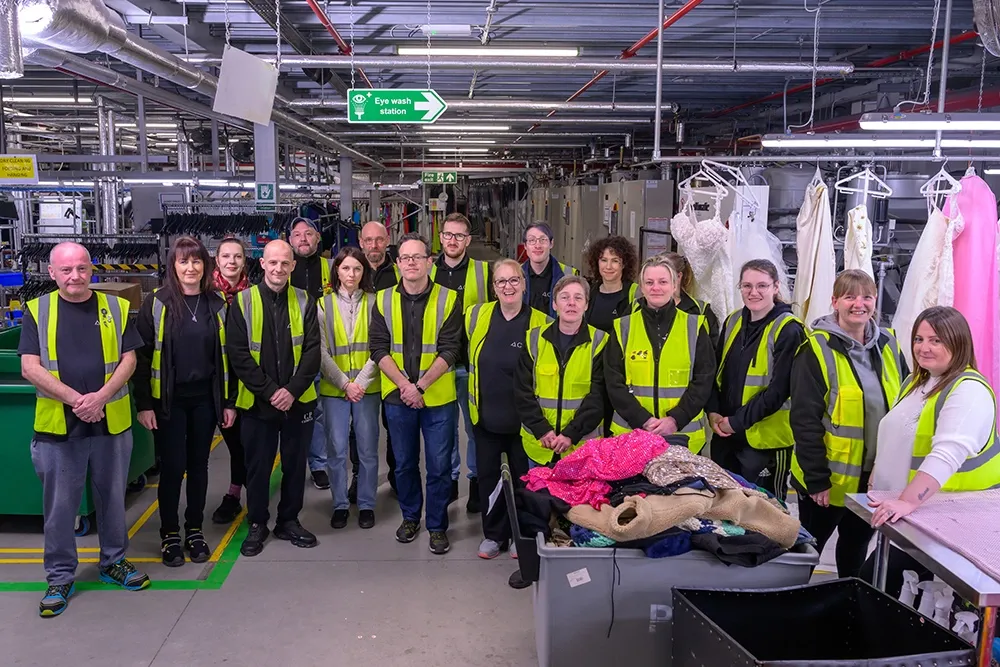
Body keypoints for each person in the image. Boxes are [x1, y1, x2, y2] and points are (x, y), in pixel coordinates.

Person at [18, 242, 150, 618]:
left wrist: (101, 398)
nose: (74, 276)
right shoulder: (37, 310)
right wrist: (79, 400)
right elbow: (30, 367)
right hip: (59, 427)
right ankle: (59, 576)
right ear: (52, 273)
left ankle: (114, 562)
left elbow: (129, 358)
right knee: (60, 507)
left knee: (112, 498)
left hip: (111, 423)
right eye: (66, 270)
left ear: (92, 269)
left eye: (81, 268)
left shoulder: (117, 307)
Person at [861, 306, 1000, 595]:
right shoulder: (917, 382)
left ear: (958, 342)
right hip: (906, 516)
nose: (923, 348)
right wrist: (879, 476)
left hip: (947, 523)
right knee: (878, 585)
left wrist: (907, 502)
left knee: (880, 587)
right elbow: (895, 433)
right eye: (919, 339)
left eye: (936, 340)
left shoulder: (968, 391)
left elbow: (946, 455)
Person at [789, 269, 908, 578]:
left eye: (866, 296)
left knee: (854, 551)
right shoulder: (815, 349)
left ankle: (846, 610)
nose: (859, 304)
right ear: (835, 302)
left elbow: (907, 405)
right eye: (850, 296)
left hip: (873, 479)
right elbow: (804, 420)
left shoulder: (889, 345)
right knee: (808, 554)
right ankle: (796, 610)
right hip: (829, 479)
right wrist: (817, 480)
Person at [133, 236, 235, 567]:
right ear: (173, 266)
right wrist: (144, 403)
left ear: (205, 266)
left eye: (196, 261)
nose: (190, 267)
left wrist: (229, 402)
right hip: (169, 402)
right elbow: (142, 356)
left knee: (199, 466)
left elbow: (230, 358)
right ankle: (169, 534)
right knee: (174, 467)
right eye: (183, 261)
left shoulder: (217, 302)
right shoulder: (157, 303)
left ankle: (194, 529)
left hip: (206, 398)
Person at [369, 232, 463, 555]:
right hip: (398, 399)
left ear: (429, 262)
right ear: (398, 264)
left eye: (418, 257)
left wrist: (420, 386)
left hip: (438, 400)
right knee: (405, 464)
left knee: (438, 466)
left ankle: (436, 525)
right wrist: (406, 387)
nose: (411, 263)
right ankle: (411, 517)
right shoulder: (381, 300)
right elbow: (378, 348)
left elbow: (451, 350)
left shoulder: (449, 299)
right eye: (406, 258)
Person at [228, 240, 321, 557]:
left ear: (293, 266)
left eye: (285, 263)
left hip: (298, 403)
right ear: (262, 264)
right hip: (257, 404)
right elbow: (238, 356)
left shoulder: (307, 301)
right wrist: (270, 392)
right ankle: (257, 523)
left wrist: (291, 391)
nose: (279, 268)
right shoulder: (242, 303)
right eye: (273, 263)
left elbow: (312, 353)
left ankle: (289, 520)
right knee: (258, 467)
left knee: (295, 466)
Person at [466, 259, 549, 559]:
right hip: (486, 418)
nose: (508, 287)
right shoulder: (477, 316)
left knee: (524, 480)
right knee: (489, 478)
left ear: (524, 284)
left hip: (525, 423)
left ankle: (521, 534)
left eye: (514, 280)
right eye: (501, 282)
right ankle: (494, 534)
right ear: (493, 287)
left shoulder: (541, 322)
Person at [707, 259, 806, 500]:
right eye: (747, 286)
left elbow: (778, 391)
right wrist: (714, 412)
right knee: (726, 507)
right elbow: (716, 373)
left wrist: (736, 422)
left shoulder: (788, 329)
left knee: (765, 513)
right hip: (726, 437)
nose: (754, 292)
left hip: (765, 442)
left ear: (776, 287)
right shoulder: (732, 321)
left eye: (762, 286)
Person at [604, 255, 715, 452]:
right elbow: (613, 381)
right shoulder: (623, 327)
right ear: (642, 287)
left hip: (682, 437)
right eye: (649, 282)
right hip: (631, 435)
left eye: (663, 282)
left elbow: (703, 380)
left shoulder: (695, 326)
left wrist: (675, 419)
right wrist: (643, 420)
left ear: (674, 285)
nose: (656, 287)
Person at [429, 212, 492, 512]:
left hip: (472, 364)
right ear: (440, 237)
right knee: (444, 430)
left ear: (468, 240)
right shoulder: (426, 270)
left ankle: (477, 482)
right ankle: (450, 481)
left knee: (474, 427)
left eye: (459, 236)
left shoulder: (485, 272)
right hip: (438, 366)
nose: (453, 241)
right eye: (448, 235)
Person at [514, 275, 608, 467]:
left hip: (581, 448)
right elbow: (522, 391)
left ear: (586, 305)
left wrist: (570, 434)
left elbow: (599, 397)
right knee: (538, 496)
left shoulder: (601, 342)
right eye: (564, 297)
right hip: (540, 445)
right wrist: (542, 430)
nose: (571, 303)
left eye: (578, 298)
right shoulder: (534, 339)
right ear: (555, 304)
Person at [318, 247, 381, 530]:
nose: (351, 274)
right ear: (337, 272)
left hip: (367, 389)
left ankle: (366, 504)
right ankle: (340, 504)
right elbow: (320, 351)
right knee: (337, 450)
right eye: (346, 268)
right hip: (335, 390)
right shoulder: (323, 305)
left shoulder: (376, 302)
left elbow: (381, 347)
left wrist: (360, 383)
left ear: (364, 272)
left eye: (357, 268)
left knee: (367, 450)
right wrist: (344, 383)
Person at [356, 220, 400, 498]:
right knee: (358, 431)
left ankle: (397, 476)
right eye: (368, 240)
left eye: (379, 240)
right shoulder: (351, 271)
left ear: (387, 241)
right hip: (359, 367)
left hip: (391, 365)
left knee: (394, 427)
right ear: (361, 242)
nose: (373, 245)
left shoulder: (398, 273)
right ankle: (358, 478)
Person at [288, 216, 332, 491]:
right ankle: (292, 465)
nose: (303, 239)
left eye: (308, 234)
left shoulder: (332, 267)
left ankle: (318, 465)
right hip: (290, 352)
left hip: (326, 350)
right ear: (290, 241)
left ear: (317, 238)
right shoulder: (283, 268)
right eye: (297, 235)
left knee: (318, 412)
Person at [210, 237, 250, 524]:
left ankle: (239, 494)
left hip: (248, 382)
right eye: (226, 256)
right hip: (214, 383)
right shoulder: (203, 295)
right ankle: (234, 494)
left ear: (244, 261)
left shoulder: (253, 295)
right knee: (232, 443)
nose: (232, 262)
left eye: (237, 256)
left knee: (245, 445)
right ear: (217, 260)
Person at [661, 252, 721, 349]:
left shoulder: (701, 311)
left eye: (663, 279)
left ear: (678, 276)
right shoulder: (638, 306)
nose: (656, 286)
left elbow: (711, 354)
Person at [521, 222, 579, 317]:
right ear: (525, 246)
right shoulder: (515, 276)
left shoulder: (568, 275)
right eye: (532, 240)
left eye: (543, 240)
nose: (537, 245)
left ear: (551, 243)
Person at [584, 235, 640, 333]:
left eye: (615, 261)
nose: (608, 266)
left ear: (624, 264)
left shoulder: (636, 294)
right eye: (604, 260)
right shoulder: (588, 293)